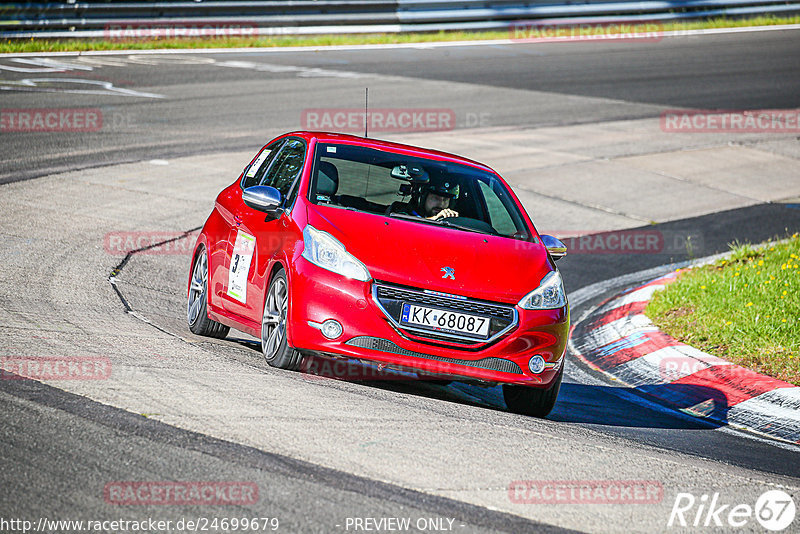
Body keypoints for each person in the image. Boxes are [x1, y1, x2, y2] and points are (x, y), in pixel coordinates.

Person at [391, 175, 460, 220]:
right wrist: (434, 219)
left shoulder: (452, 223)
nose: (441, 204)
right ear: (422, 198)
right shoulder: (400, 213)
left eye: (445, 199)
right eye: (435, 198)